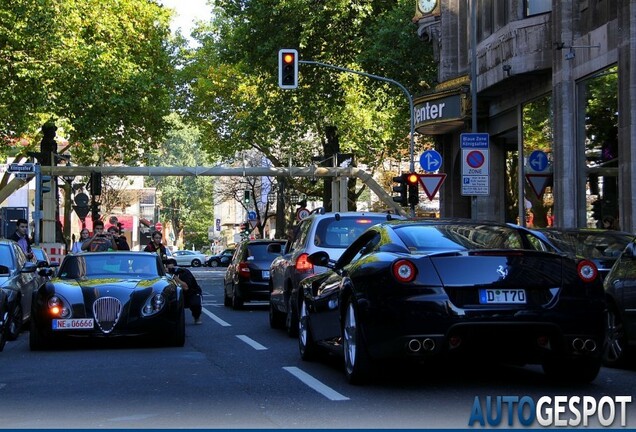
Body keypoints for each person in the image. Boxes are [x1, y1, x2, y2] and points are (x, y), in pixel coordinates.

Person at [165, 258, 203, 325]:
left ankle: (197, 316)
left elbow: (186, 287)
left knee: (195, 304)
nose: (171, 271)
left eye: (172, 269)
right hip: (177, 294)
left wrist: (175, 277)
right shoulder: (164, 275)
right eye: (169, 269)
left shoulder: (184, 272)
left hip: (191, 293)